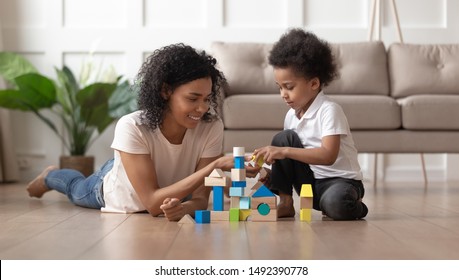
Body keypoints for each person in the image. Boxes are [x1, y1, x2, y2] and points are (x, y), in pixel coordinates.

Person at [27, 43, 239, 221]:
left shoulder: (212, 126)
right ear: (165, 91)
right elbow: (153, 203)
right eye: (192, 99)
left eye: (207, 99)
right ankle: (50, 176)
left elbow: (201, 200)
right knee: (75, 188)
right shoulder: (132, 125)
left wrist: (184, 209)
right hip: (117, 188)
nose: (202, 108)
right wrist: (216, 165)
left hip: (149, 168)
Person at [251, 29, 368, 220]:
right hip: (309, 183)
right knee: (283, 139)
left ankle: (356, 207)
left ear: (314, 84)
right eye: (279, 87)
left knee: (336, 204)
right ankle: (286, 204)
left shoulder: (329, 110)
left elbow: (328, 156)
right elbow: (287, 160)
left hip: (340, 182)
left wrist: (284, 152)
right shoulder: (291, 116)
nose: (283, 94)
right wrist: (270, 171)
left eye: (289, 87)